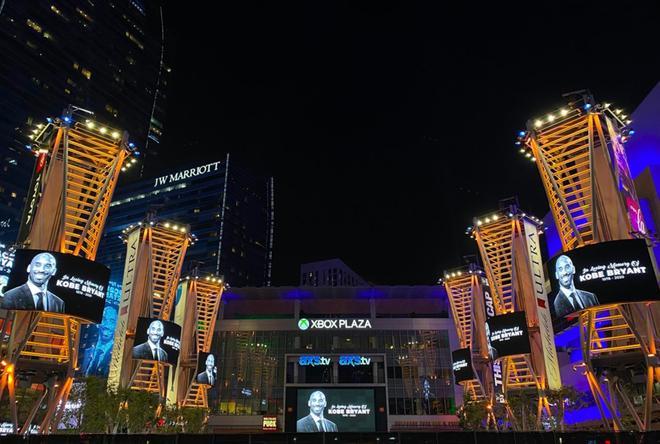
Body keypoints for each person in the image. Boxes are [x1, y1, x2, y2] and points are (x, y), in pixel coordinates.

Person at [84, 306, 118, 376]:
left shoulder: (116, 354)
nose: (107, 326)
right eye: (104, 319)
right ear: (98, 324)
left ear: (116, 326)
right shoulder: (87, 347)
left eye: (112, 321)